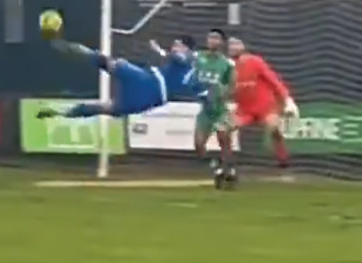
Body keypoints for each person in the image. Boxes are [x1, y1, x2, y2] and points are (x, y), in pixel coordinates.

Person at [35, 36, 197, 120]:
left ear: (186, 48)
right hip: (147, 91)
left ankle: (60, 112)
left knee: (105, 104)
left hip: (148, 84)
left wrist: (161, 51)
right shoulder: (190, 65)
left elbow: (179, 58)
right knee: (109, 67)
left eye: (178, 45)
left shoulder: (189, 59)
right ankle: (60, 112)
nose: (174, 47)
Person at [228, 37, 299, 179]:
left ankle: (283, 160)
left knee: (273, 128)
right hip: (245, 109)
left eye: (236, 44)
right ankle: (227, 162)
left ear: (243, 46)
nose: (233, 47)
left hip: (265, 106)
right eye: (230, 44)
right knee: (226, 128)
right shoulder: (228, 67)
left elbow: (274, 80)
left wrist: (287, 100)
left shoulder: (255, 61)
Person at [188, 29, 236, 181]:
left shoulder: (227, 63)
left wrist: (224, 94)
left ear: (222, 42)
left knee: (224, 140)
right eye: (210, 37)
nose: (212, 41)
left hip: (220, 108)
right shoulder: (198, 57)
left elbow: (232, 85)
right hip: (205, 109)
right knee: (199, 144)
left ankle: (229, 170)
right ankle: (215, 166)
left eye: (216, 38)